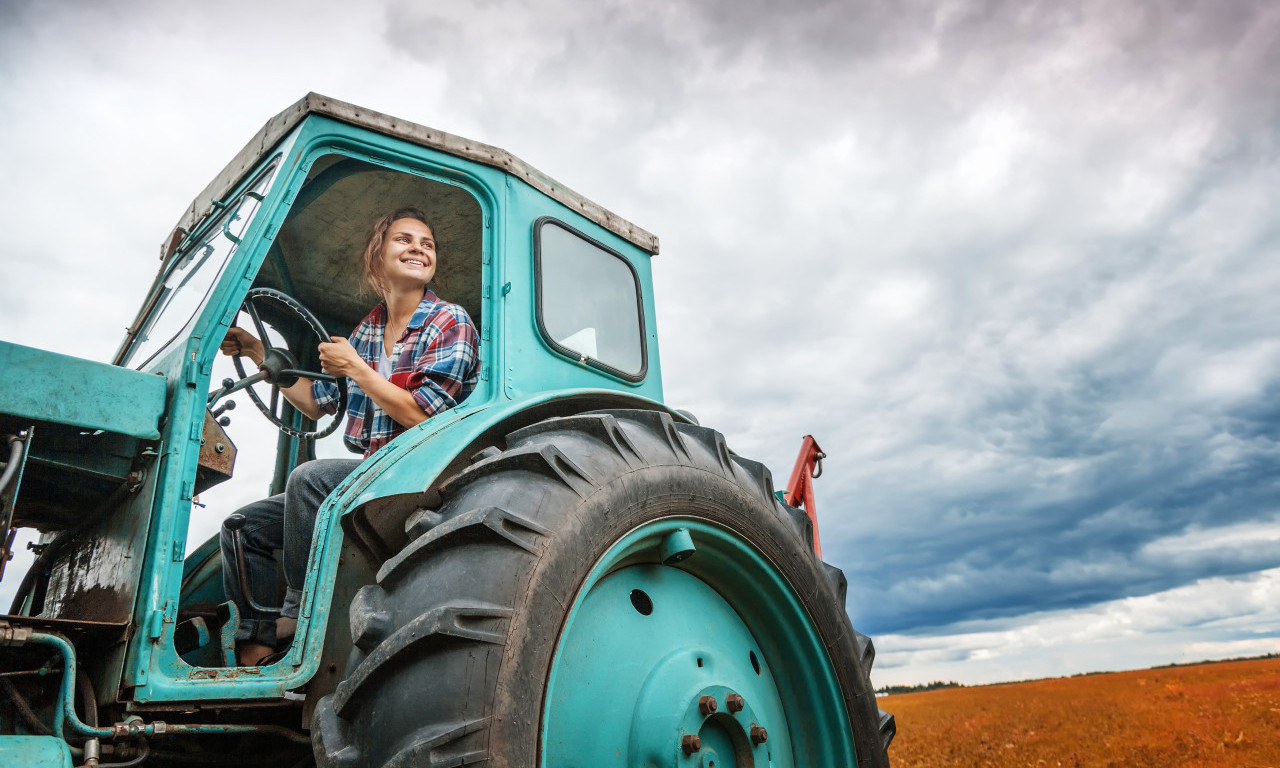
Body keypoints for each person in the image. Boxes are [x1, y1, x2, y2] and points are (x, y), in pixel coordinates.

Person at [218, 207, 479, 665]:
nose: (419, 249)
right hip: (373, 477)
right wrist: (260, 352)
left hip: (424, 476)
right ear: (378, 257)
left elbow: (422, 415)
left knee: (310, 480)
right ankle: (256, 650)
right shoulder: (368, 330)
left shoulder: (448, 321)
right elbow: (315, 402)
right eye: (404, 240)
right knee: (243, 528)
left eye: (427, 244)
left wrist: (357, 369)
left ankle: (299, 618)